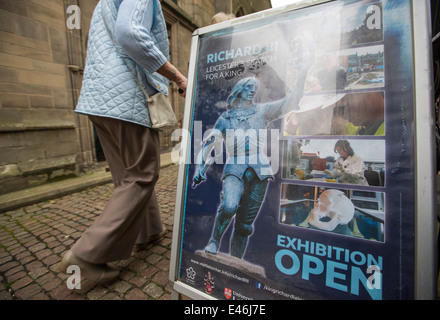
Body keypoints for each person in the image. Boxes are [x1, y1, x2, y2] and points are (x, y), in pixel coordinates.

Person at [58, 0, 187, 284]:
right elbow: (131, 33)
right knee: (142, 173)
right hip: (125, 99)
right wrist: (177, 77)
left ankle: (148, 232)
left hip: (97, 98)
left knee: (127, 174)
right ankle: (85, 257)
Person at [192, 37, 314, 258]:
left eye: (254, 88)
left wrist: (303, 71)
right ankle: (214, 241)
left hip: (260, 168)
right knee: (229, 206)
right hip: (235, 167)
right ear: (239, 90)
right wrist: (200, 167)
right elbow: (210, 143)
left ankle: (236, 261)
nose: (252, 91)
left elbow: (292, 100)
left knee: (246, 224)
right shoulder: (226, 118)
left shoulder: (262, 111)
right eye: (248, 87)